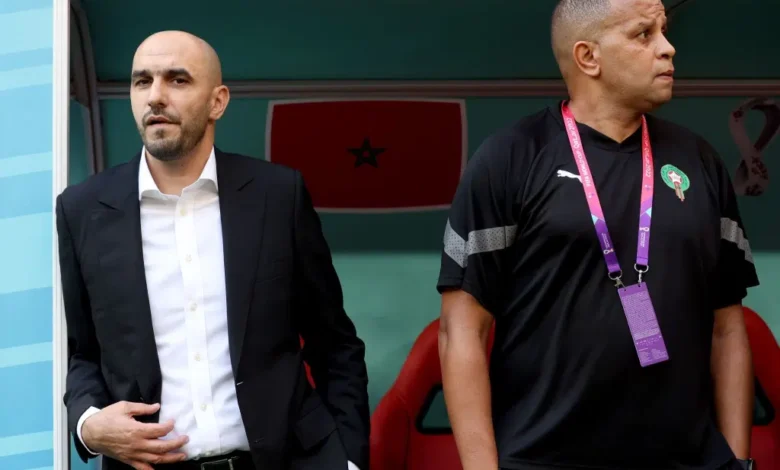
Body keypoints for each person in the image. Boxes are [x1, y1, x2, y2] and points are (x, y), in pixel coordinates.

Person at [436, 1, 758, 469]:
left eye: (663, 31)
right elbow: (461, 329)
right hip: (542, 459)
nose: (668, 48)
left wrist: (737, 462)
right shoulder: (509, 158)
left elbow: (727, 330)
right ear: (588, 57)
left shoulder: (700, 161)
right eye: (643, 34)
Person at [56, 30, 370, 470]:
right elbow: (83, 353)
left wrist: (348, 461)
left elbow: (334, 343)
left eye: (177, 80)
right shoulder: (83, 209)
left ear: (217, 101)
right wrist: (89, 424)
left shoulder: (277, 195)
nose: (155, 96)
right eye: (142, 81)